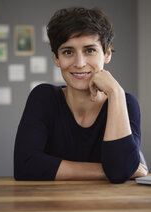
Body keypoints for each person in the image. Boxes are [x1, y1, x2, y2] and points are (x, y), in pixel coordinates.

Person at [14, 7, 148, 183]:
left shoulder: (125, 102)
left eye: (90, 50)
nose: (79, 63)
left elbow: (120, 170)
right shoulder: (43, 97)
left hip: (107, 207)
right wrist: (106, 169)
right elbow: (26, 166)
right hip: (50, 205)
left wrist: (115, 92)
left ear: (107, 53)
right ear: (56, 58)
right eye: (68, 52)